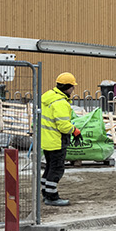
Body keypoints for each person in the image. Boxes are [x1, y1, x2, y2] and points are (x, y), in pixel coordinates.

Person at [40, 71, 79, 208]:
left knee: (50, 167)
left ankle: (45, 193)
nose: (73, 90)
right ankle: (52, 197)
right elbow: (63, 126)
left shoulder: (47, 98)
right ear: (68, 87)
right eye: (73, 87)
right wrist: (74, 130)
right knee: (56, 169)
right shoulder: (60, 103)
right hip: (57, 141)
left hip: (46, 140)